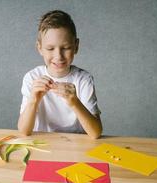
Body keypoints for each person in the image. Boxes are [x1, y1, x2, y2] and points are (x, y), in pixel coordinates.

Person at [18, 10, 102, 139]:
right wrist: (34, 99)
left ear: (76, 46)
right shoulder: (32, 78)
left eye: (66, 48)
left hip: (76, 146)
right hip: (42, 143)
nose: (58, 56)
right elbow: (23, 131)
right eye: (50, 49)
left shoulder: (83, 79)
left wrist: (74, 101)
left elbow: (95, 133)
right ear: (39, 48)